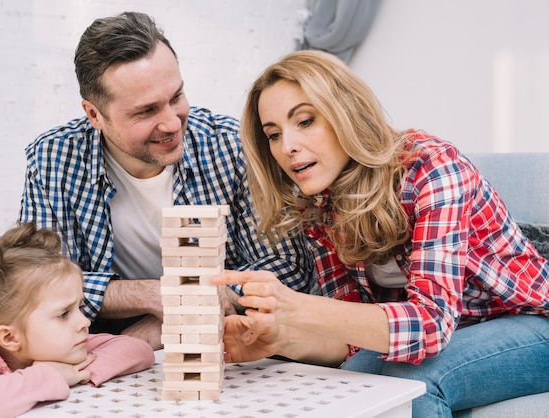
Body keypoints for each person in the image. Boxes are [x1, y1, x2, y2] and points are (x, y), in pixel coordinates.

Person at [212, 50, 549, 417]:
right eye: (273, 134)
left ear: (347, 113)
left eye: (305, 121)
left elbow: (430, 325)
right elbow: (353, 336)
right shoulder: (319, 207)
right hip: (458, 334)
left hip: (529, 323)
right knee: (354, 381)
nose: (286, 146)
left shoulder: (433, 168)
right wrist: (282, 339)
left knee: (414, 387)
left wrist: (296, 307)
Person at [17, 11, 311, 349]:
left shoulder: (230, 146)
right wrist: (153, 296)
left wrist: (193, 302)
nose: (172, 123)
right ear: (94, 114)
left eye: (176, 97)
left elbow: (289, 266)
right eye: (146, 111)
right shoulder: (52, 159)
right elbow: (38, 283)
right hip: (101, 340)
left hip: (226, 339)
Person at [0, 223, 155, 418]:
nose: (85, 322)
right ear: (9, 337)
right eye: (64, 314)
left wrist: (76, 372)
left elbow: (139, 350)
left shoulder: (60, 347)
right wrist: (52, 375)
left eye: (79, 307)